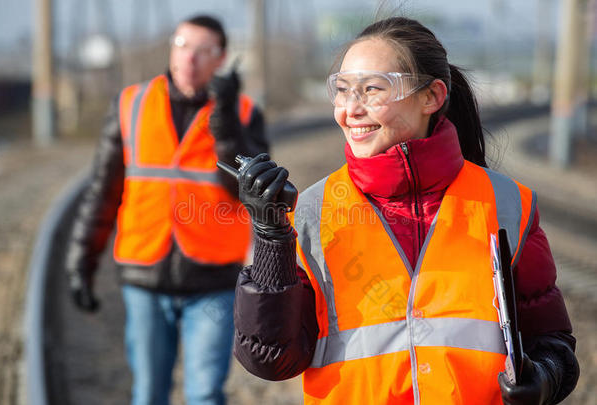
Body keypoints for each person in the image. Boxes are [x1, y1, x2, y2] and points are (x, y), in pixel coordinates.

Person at [232, 17, 579, 405]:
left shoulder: (508, 205)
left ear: (431, 96)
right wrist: (271, 233)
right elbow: (270, 359)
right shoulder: (312, 210)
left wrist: (544, 378)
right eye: (343, 91)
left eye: (371, 89)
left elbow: (552, 344)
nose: (351, 109)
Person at [65, 14, 268, 405]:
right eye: (182, 45)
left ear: (221, 58)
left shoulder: (242, 113)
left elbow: (250, 191)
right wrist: (81, 262)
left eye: (202, 50)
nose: (189, 59)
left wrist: (224, 118)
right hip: (144, 276)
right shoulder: (130, 104)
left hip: (213, 280)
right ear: (171, 49)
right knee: (148, 394)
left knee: (206, 393)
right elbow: (102, 193)